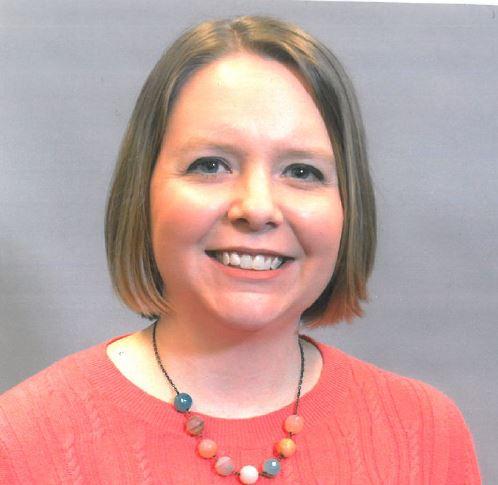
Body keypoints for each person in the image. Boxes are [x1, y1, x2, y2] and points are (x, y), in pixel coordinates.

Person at [0, 15, 481, 484]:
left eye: (301, 171)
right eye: (210, 165)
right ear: (142, 192)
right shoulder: (20, 440)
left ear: (348, 206)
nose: (256, 207)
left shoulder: (425, 433)